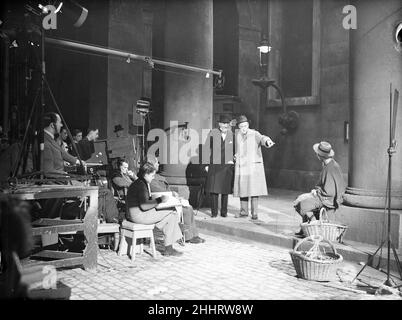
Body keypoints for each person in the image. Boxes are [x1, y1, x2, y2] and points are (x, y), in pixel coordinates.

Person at [42, 113, 119, 223]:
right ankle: (104, 221)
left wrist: (78, 162)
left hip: (61, 179)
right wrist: (67, 176)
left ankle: (101, 220)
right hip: (59, 181)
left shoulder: (50, 139)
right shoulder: (45, 140)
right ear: (52, 125)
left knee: (99, 191)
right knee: (101, 191)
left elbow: (63, 154)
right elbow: (48, 170)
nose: (61, 125)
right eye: (59, 122)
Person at [126, 162, 184, 256]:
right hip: (139, 216)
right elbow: (144, 206)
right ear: (146, 174)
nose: (153, 177)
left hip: (134, 214)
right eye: (152, 175)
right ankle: (169, 247)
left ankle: (169, 247)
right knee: (172, 212)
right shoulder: (141, 185)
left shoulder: (139, 183)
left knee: (169, 217)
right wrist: (160, 199)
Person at [147, 155, 205, 244]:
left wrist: (173, 195)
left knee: (189, 207)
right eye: (156, 163)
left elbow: (165, 189)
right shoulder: (151, 178)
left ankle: (194, 235)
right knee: (186, 209)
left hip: (167, 200)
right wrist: (173, 194)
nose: (158, 164)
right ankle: (188, 236)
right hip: (162, 203)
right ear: (151, 165)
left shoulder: (156, 176)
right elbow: (159, 191)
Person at [293, 141, 345, 235]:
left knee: (301, 204)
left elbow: (330, 192)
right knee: (299, 198)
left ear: (320, 155)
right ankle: (307, 228)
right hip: (324, 196)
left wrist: (317, 192)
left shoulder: (331, 168)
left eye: (317, 153)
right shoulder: (329, 164)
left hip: (327, 200)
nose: (316, 155)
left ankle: (313, 226)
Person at [233, 115, 275, 220]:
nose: (243, 128)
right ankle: (243, 212)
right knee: (243, 190)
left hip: (252, 167)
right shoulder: (237, 135)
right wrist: (235, 155)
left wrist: (267, 142)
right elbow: (236, 148)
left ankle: (255, 213)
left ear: (248, 125)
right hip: (242, 167)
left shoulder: (254, 133)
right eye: (241, 126)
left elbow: (263, 138)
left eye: (245, 125)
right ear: (238, 127)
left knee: (254, 190)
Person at [204, 114, 235, 218]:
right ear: (219, 124)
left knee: (225, 190)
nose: (225, 125)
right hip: (215, 165)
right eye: (223, 123)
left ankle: (224, 212)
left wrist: (234, 158)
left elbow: (236, 149)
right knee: (214, 190)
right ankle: (214, 213)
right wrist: (206, 164)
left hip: (227, 166)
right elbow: (206, 148)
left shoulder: (232, 134)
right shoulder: (213, 133)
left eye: (227, 124)